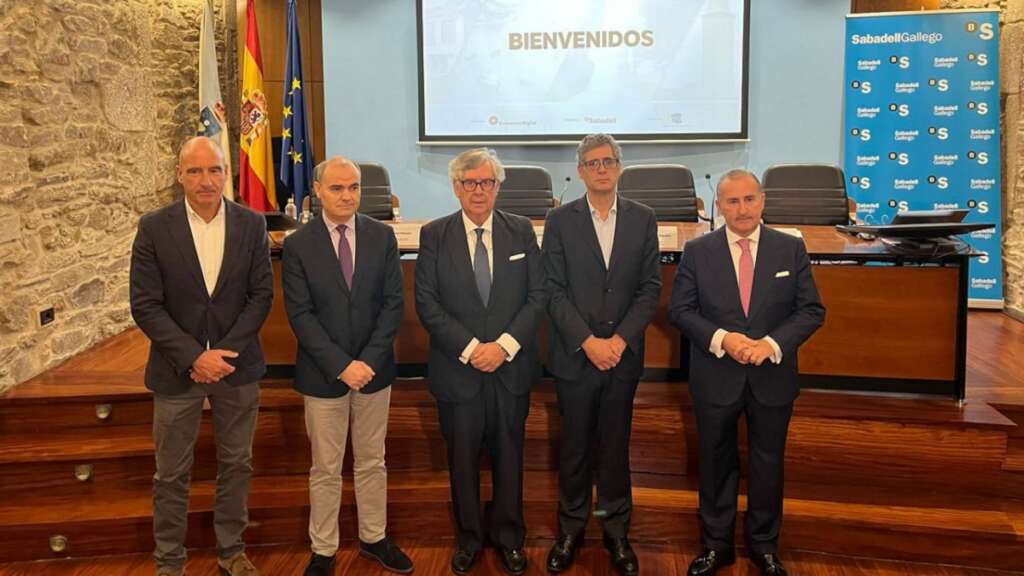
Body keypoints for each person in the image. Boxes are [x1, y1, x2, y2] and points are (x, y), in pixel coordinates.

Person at [669, 170, 825, 576]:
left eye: (750, 199)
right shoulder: (698, 250)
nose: (742, 209)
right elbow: (681, 311)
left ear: (763, 201)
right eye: (733, 201)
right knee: (715, 462)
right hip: (716, 376)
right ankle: (716, 546)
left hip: (772, 377)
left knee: (768, 463)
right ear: (718, 206)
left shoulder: (790, 249)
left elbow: (811, 310)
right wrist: (724, 339)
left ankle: (764, 546)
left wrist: (770, 345)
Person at [129, 136, 273, 576]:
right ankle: (170, 560)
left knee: (237, 463)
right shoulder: (155, 227)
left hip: (237, 366)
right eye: (194, 171)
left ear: (226, 173)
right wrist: (195, 356)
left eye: (213, 170)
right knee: (171, 473)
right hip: (177, 370)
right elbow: (145, 304)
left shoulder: (251, 225)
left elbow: (261, 295)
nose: (205, 180)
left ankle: (231, 550)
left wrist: (224, 352)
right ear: (179, 176)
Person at [414, 148, 546, 575]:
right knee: (462, 461)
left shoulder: (522, 231)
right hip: (459, 370)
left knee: (511, 457)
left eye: (487, 182)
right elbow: (427, 304)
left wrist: (503, 346)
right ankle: (469, 538)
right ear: (456, 187)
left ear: (497, 186)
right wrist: (473, 350)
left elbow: (537, 296)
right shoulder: (434, 234)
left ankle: (510, 538)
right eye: (470, 183)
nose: (478, 191)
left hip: (510, 369)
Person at [281, 157, 413, 575]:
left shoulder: (382, 237)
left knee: (373, 460)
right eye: (337, 188)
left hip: (374, 373)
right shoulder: (299, 244)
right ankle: (324, 549)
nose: (347, 196)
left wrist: (367, 363)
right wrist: (342, 366)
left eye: (354, 187)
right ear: (317, 192)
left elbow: (393, 305)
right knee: (325, 466)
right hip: (324, 375)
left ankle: (374, 538)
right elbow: (300, 315)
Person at [542, 134, 661, 576]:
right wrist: (588, 341)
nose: (601, 168)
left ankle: (616, 533)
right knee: (573, 448)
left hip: (622, 356)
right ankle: (570, 530)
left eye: (608, 161)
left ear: (620, 167)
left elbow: (650, 289)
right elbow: (551, 290)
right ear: (580, 171)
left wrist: (619, 340)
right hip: (576, 355)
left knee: (615, 448)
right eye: (592, 163)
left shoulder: (643, 219)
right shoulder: (560, 220)